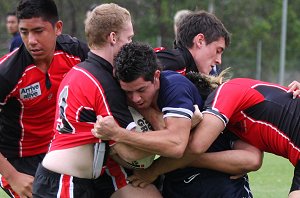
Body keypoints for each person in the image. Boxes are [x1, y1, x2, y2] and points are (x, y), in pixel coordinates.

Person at [92, 42, 262, 197]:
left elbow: (176, 146)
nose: (135, 98)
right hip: (178, 184)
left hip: (219, 186)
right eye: (129, 92)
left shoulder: (174, 87)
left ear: (156, 76)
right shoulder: (128, 97)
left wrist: (119, 134)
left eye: (141, 90)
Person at [32, 4, 161, 198]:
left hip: (70, 178)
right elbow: (132, 153)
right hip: (64, 183)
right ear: (113, 38)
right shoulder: (104, 82)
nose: (131, 44)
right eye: (129, 38)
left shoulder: (82, 69)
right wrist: (172, 138)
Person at [141, 71, 300, 197]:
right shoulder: (235, 123)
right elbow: (252, 160)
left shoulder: (226, 91)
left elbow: (196, 147)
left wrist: (153, 170)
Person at [0, 0, 89, 197]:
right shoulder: (7, 73)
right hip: (19, 161)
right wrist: (13, 176)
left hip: (59, 149)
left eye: (39, 31)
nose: (31, 40)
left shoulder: (74, 52)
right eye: (24, 32)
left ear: (57, 28)